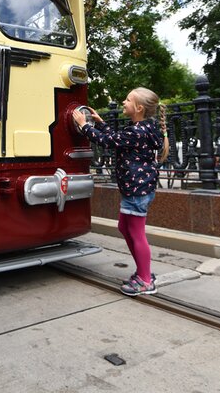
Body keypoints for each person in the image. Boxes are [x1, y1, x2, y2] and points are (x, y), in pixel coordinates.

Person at [72, 87, 168, 296]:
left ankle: (145, 280)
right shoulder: (144, 128)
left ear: (139, 108)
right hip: (137, 188)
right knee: (125, 228)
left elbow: (108, 142)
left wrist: (84, 126)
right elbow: (118, 139)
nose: (123, 102)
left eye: (128, 100)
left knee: (136, 233)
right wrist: (100, 123)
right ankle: (144, 272)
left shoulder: (137, 131)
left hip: (136, 190)